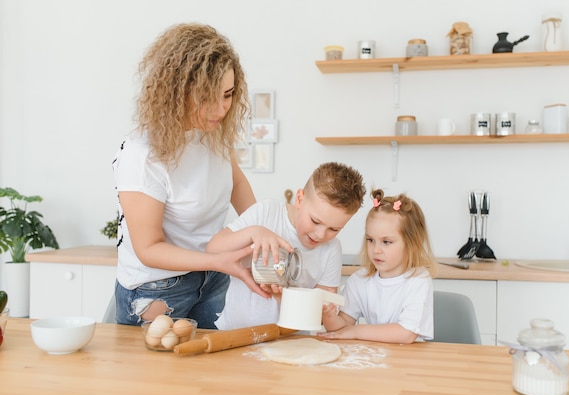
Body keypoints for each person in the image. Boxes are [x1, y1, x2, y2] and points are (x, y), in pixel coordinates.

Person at [112, 23, 267, 329]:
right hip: (157, 289)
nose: (221, 109)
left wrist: (262, 235)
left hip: (214, 277)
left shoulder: (210, 134)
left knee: (206, 375)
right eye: (207, 98)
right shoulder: (142, 154)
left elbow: (236, 183)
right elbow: (148, 249)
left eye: (228, 95)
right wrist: (218, 261)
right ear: (176, 90)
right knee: (156, 376)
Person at [206, 162, 366, 330]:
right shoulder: (267, 213)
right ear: (299, 199)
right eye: (315, 221)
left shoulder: (331, 249)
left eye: (334, 229)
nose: (320, 235)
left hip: (288, 341)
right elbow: (213, 250)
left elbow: (319, 318)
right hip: (235, 333)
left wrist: (282, 297)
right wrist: (254, 232)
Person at [318, 189, 437, 344]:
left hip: (409, 362)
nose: (376, 250)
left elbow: (406, 334)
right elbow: (342, 330)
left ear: (411, 244)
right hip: (376, 359)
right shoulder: (359, 280)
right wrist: (328, 316)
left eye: (386, 242)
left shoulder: (418, 280)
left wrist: (355, 331)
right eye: (370, 240)